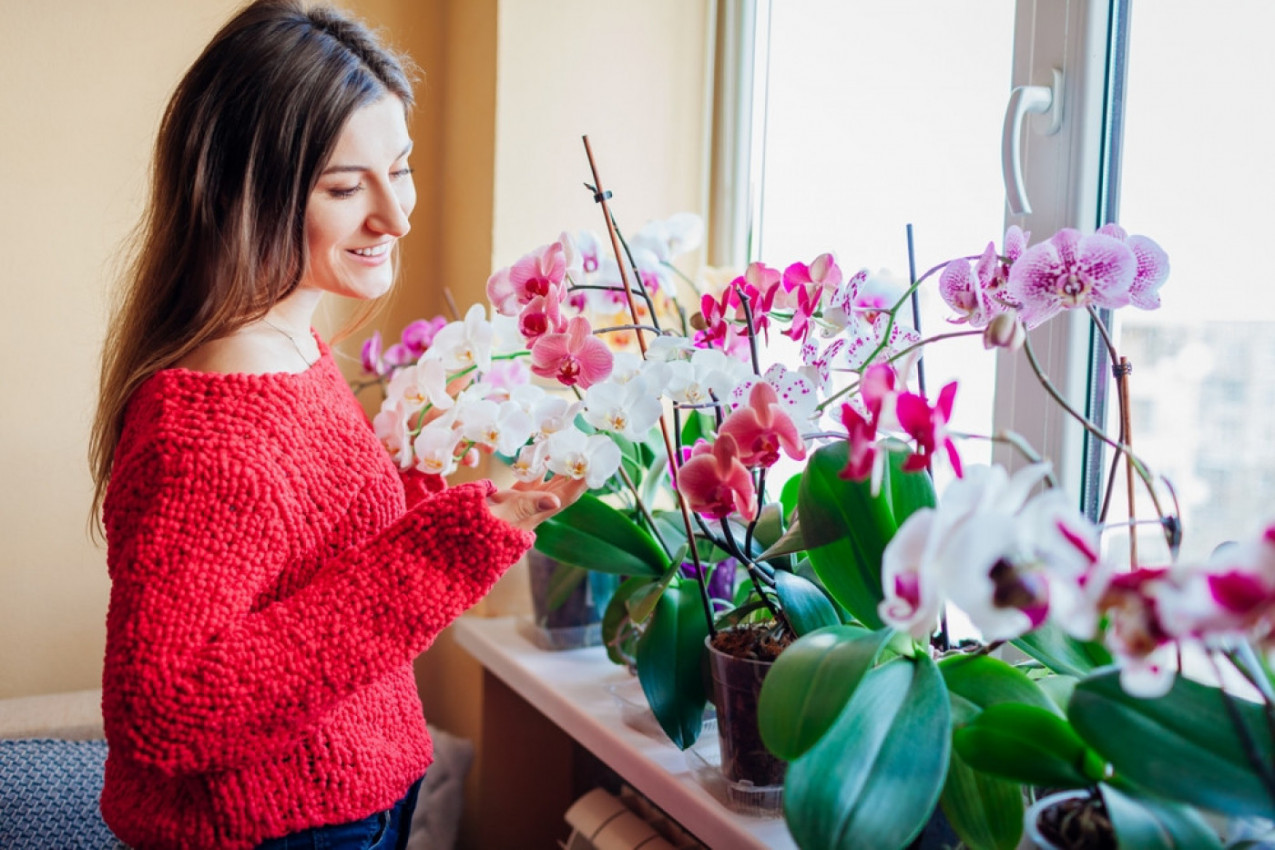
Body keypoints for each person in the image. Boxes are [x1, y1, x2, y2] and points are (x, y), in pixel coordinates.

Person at [87, 2, 584, 848]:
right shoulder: (208, 427)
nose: (396, 217)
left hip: (352, 796)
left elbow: (304, 568)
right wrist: (446, 551)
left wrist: (427, 488)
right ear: (244, 194)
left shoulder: (289, 345)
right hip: (281, 829)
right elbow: (168, 707)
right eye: (346, 188)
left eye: (402, 167)